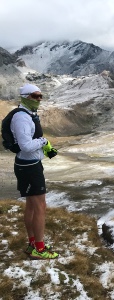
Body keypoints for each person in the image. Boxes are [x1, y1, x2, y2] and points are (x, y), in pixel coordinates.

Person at [11, 83, 59, 260]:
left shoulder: (27, 114)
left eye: (41, 96)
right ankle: (39, 248)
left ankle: (32, 244)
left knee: (32, 205)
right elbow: (25, 146)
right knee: (40, 207)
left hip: (29, 165)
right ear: (25, 97)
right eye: (35, 96)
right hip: (29, 167)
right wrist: (43, 141)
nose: (39, 99)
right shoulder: (22, 118)